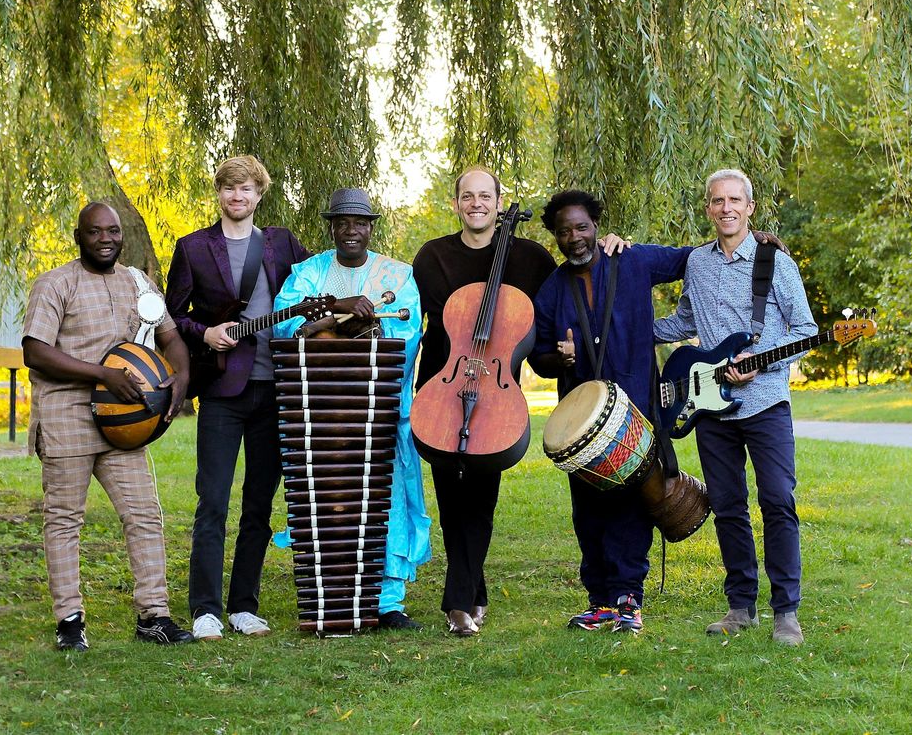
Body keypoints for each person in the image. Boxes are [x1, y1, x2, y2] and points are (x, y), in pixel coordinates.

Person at [412, 167, 625, 636]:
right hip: (442, 386)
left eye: (485, 196)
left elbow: (572, 281)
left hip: (495, 388)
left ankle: (458, 602)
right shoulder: (432, 257)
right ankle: (474, 591)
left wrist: (612, 245)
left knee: (481, 495)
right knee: (450, 498)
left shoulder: (530, 258)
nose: (476, 204)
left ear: (498, 201)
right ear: (456, 203)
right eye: (468, 196)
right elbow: (411, 319)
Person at [654, 168, 817, 646]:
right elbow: (684, 321)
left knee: (778, 501)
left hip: (766, 403)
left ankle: (786, 612)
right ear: (708, 208)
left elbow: (806, 331)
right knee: (727, 507)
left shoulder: (775, 262)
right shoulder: (697, 264)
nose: (726, 208)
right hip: (711, 408)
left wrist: (761, 361)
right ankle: (741, 607)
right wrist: (627, 328)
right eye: (717, 201)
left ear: (749, 207)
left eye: (734, 200)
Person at [22, 201, 194, 650]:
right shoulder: (55, 284)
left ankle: (153, 616)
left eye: (113, 231)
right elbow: (35, 351)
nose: (106, 239)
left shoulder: (137, 282)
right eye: (95, 232)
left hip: (125, 422)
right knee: (64, 520)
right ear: (78, 237)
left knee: (144, 514)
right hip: (67, 416)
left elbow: (170, 337)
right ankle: (69, 621)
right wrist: (103, 375)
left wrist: (180, 378)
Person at [529, 190, 692, 634]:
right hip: (582, 425)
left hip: (635, 412)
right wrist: (558, 359)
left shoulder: (634, 261)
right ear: (555, 236)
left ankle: (627, 599)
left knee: (631, 505)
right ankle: (599, 600)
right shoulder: (551, 290)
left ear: (596, 226)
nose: (574, 237)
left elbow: (691, 259)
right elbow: (538, 356)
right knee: (588, 511)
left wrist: (753, 240)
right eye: (564, 231)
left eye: (582, 227)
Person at [272, 187, 432, 630]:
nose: (351, 231)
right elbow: (285, 324)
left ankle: (388, 601)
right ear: (331, 228)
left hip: (379, 409)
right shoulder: (308, 273)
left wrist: (368, 326)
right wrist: (331, 316)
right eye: (342, 222)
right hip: (320, 411)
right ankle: (335, 592)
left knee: (386, 497)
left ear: (370, 228)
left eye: (359, 223)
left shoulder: (397, 276)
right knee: (328, 498)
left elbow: (408, 336)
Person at [165, 155, 311, 639]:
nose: (237, 196)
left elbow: (314, 284)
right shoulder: (192, 248)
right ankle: (205, 609)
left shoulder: (281, 243)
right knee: (212, 501)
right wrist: (205, 333)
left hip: (277, 389)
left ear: (259, 194)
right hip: (222, 391)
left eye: (246, 188)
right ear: (219, 193)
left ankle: (244, 605)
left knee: (259, 505)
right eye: (229, 188)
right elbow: (171, 316)